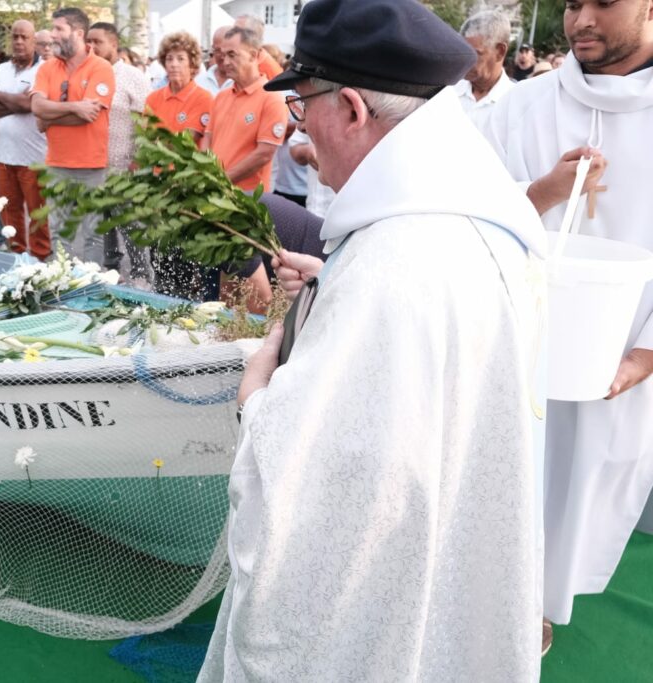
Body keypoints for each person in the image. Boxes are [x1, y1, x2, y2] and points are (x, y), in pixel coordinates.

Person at [198, 0, 547, 679]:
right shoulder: (472, 207)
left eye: (301, 108)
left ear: (353, 109)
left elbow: (314, 493)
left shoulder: (391, 268)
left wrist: (258, 391)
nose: (302, 133)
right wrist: (336, 283)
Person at [487, 0, 653, 656]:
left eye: (602, 2)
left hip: (618, 353)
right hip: (511, 342)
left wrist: (647, 352)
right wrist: (541, 194)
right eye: (570, 3)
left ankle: (538, 611)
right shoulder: (522, 108)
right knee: (498, 477)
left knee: (576, 490)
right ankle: (487, 599)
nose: (580, 18)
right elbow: (465, 205)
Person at [30, 7, 114, 264]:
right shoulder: (47, 69)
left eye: (58, 29)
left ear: (78, 33)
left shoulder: (101, 68)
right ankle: (64, 287)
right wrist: (75, 107)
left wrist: (50, 116)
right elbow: (36, 108)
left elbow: (90, 116)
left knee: (94, 235)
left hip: (92, 166)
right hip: (57, 164)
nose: (52, 35)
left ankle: (93, 289)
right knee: (59, 235)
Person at [145, 31, 217, 299]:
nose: (174, 64)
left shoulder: (204, 99)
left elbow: (190, 145)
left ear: (193, 64)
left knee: (185, 259)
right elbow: (147, 143)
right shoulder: (153, 99)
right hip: (158, 188)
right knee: (159, 255)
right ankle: (161, 302)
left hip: (187, 191)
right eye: (170, 58)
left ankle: (184, 307)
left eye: (180, 59)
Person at [86, 22, 150, 279]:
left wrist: (137, 160)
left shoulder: (132, 76)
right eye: (88, 41)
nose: (91, 47)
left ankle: (141, 276)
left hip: (126, 168)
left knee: (131, 226)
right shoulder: (88, 75)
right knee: (103, 226)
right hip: (94, 166)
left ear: (113, 43)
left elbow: (146, 121)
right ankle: (110, 273)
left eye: (97, 41)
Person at [0, 19, 51, 260]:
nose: (19, 41)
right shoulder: (1, 69)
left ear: (34, 40)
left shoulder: (44, 69)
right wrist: (18, 102)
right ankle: (16, 257)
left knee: (37, 213)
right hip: (4, 156)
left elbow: (29, 104)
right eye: (15, 37)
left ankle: (41, 259)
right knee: (9, 212)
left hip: (34, 158)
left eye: (25, 37)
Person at [203, 27, 289, 193]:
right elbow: (208, 137)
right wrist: (205, 173)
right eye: (222, 54)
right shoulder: (222, 97)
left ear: (253, 55)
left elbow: (264, 154)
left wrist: (221, 180)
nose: (225, 61)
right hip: (215, 193)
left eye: (232, 54)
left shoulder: (271, 98)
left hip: (247, 199)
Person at [455, 9, 515, 131]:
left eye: (474, 53)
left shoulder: (516, 104)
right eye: (463, 51)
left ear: (500, 51)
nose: (465, 61)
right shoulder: (448, 92)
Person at [233, 14, 283, 80]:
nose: (231, 34)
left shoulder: (270, 70)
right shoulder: (231, 57)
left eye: (236, 31)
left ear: (253, 36)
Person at [195, 26, 234, 96]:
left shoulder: (244, 83)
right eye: (218, 50)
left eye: (228, 51)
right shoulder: (199, 82)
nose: (223, 56)